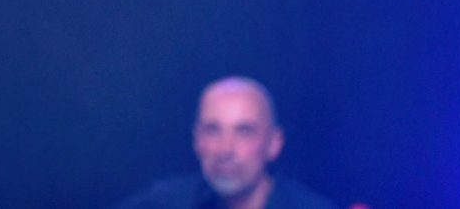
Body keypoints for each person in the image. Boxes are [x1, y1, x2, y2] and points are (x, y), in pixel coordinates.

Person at [111, 78, 340, 209]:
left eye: (244, 132)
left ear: (274, 144)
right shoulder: (165, 202)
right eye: (213, 131)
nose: (225, 149)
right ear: (197, 140)